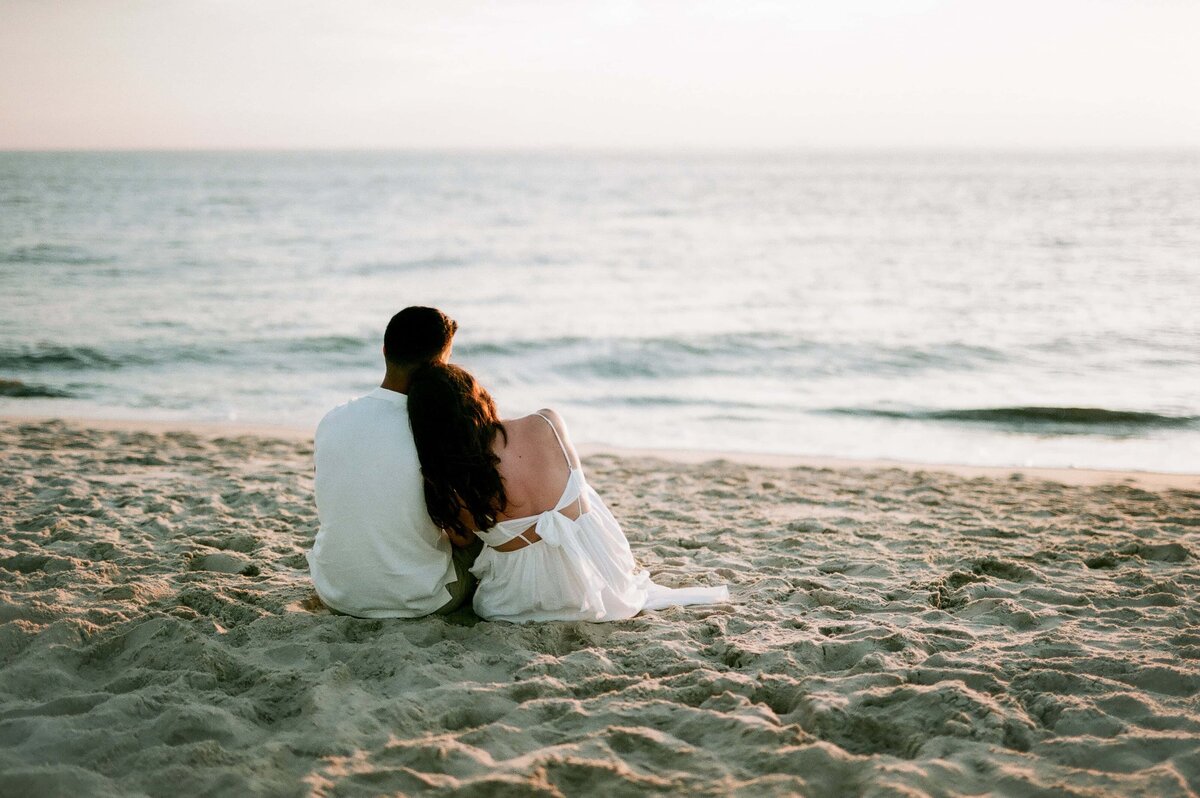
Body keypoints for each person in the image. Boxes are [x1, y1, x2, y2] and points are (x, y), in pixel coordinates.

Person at [407, 362, 729, 623]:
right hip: (598, 578)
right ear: (478, 397)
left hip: (518, 599)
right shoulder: (546, 421)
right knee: (575, 487)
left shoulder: (450, 484)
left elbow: (463, 542)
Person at [306, 307, 481, 618]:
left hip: (336, 592)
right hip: (420, 600)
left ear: (384, 350)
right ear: (440, 366)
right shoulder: (435, 428)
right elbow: (463, 534)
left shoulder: (332, 419)